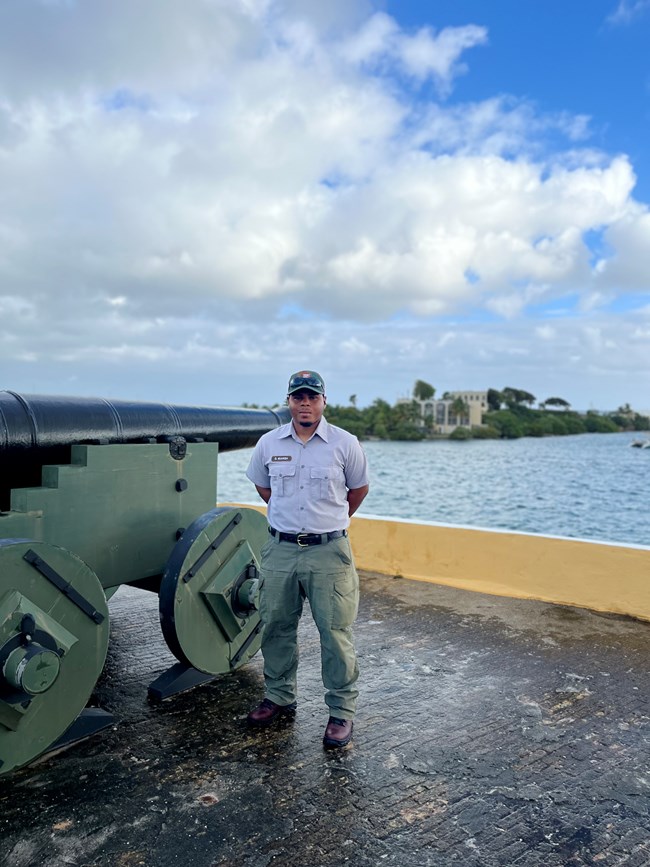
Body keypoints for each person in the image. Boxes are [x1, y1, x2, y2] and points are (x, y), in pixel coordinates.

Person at [245, 370, 369, 749]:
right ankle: (279, 696)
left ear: (323, 402)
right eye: (298, 397)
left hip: (328, 551)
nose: (305, 404)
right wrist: (289, 520)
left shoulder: (344, 444)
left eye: (312, 397)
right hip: (280, 549)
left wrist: (326, 523)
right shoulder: (269, 443)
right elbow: (263, 485)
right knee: (275, 625)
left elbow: (358, 489)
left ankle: (340, 712)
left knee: (334, 632)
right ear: (289, 402)